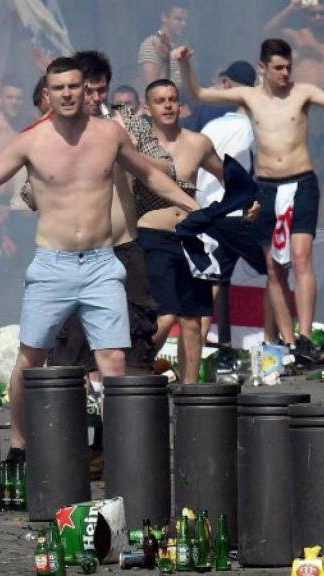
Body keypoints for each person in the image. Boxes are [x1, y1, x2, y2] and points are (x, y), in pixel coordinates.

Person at [0, 57, 200, 461]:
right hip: (54, 263)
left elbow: (152, 176)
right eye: (59, 88)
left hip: (103, 262)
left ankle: (121, 454)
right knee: (30, 359)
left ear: (86, 90)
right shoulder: (30, 141)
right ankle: (19, 445)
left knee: (113, 360)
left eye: (74, 87)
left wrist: (195, 207)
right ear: (47, 94)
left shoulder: (109, 134)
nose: (67, 94)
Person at [176, 39, 324, 362]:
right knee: (274, 268)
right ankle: (288, 340)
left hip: (302, 181)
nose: (285, 74)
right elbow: (199, 94)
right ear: (263, 68)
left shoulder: (303, 93)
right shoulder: (250, 96)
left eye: (288, 68)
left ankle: (306, 334)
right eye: (278, 68)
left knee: (301, 257)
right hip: (268, 187)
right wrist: (184, 65)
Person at [48, 50, 164, 387]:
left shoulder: (126, 121)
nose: (98, 98)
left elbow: (166, 168)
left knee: (136, 341)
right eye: (91, 90)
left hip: (125, 247)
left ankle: (131, 426)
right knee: (74, 347)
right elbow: (31, 193)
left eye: (103, 90)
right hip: (76, 251)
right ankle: (87, 428)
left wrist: (126, 147)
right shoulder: (58, 130)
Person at [142, 80, 224, 385]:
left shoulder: (197, 143)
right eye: (160, 100)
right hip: (153, 234)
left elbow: (227, 174)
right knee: (164, 316)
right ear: (147, 108)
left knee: (193, 318)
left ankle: (190, 391)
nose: (167, 105)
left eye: (172, 99)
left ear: (180, 105)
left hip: (190, 238)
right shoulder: (137, 146)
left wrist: (247, 199)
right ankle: (136, 373)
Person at [194, 63, 273, 364]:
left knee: (214, 280)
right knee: (276, 272)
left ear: (229, 85)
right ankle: (273, 345)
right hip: (240, 215)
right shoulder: (252, 129)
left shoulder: (211, 127)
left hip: (210, 214)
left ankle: (198, 351)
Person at [262, 0, 324, 90]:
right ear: (307, 16)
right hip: (300, 100)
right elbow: (267, 32)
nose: (318, 17)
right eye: (313, 14)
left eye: (323, 13)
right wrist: (290, 9)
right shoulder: (297, 37)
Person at [137, 4, 190, 88]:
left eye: (186, 20)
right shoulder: (152, 44)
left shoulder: (181, 45)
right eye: (178, 19)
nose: (184, 24)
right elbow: (152, 86)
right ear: (164, 17)